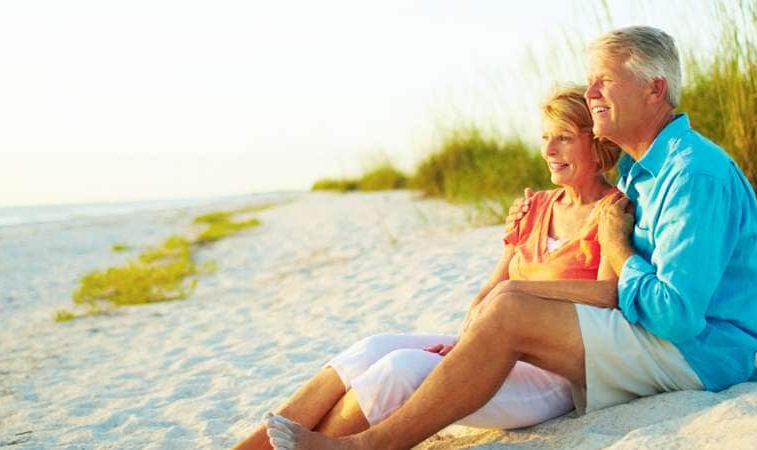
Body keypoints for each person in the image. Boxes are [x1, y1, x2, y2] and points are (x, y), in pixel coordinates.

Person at [262, 26, 757, 450]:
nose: (591, 93)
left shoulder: (693, 175)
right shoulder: (646, 175)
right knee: (435, 329)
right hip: (662, 336)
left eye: (602, 82)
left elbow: (677, 315)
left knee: (502, 312)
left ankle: (369, 446)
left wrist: (617, 251)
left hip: (696, 353)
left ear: (654, 89)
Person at [231, 84, 622, 450]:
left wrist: (511, 299)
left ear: (598, 143)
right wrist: (469, 343)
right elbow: (491, 288)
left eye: (564, 138)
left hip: (551, 375)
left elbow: (607, 296)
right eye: (544, 138)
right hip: (491, 347)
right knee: (373, 348)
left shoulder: (613, 210)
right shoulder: (535, 206)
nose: (549, 150)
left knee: (403, 368)